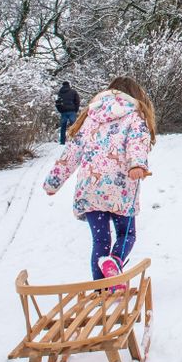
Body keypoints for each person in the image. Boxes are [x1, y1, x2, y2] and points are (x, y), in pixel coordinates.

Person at [44, 77, 156, 283]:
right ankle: (113, 262)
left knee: (101, 240)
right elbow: (137, 142)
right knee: (126, 234)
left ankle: (100, 290)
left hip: (90, 190)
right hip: (120, 189)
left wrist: (53, 182)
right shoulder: (135, 115)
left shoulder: (91, 116)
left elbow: (71, 153)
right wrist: (137, 165)